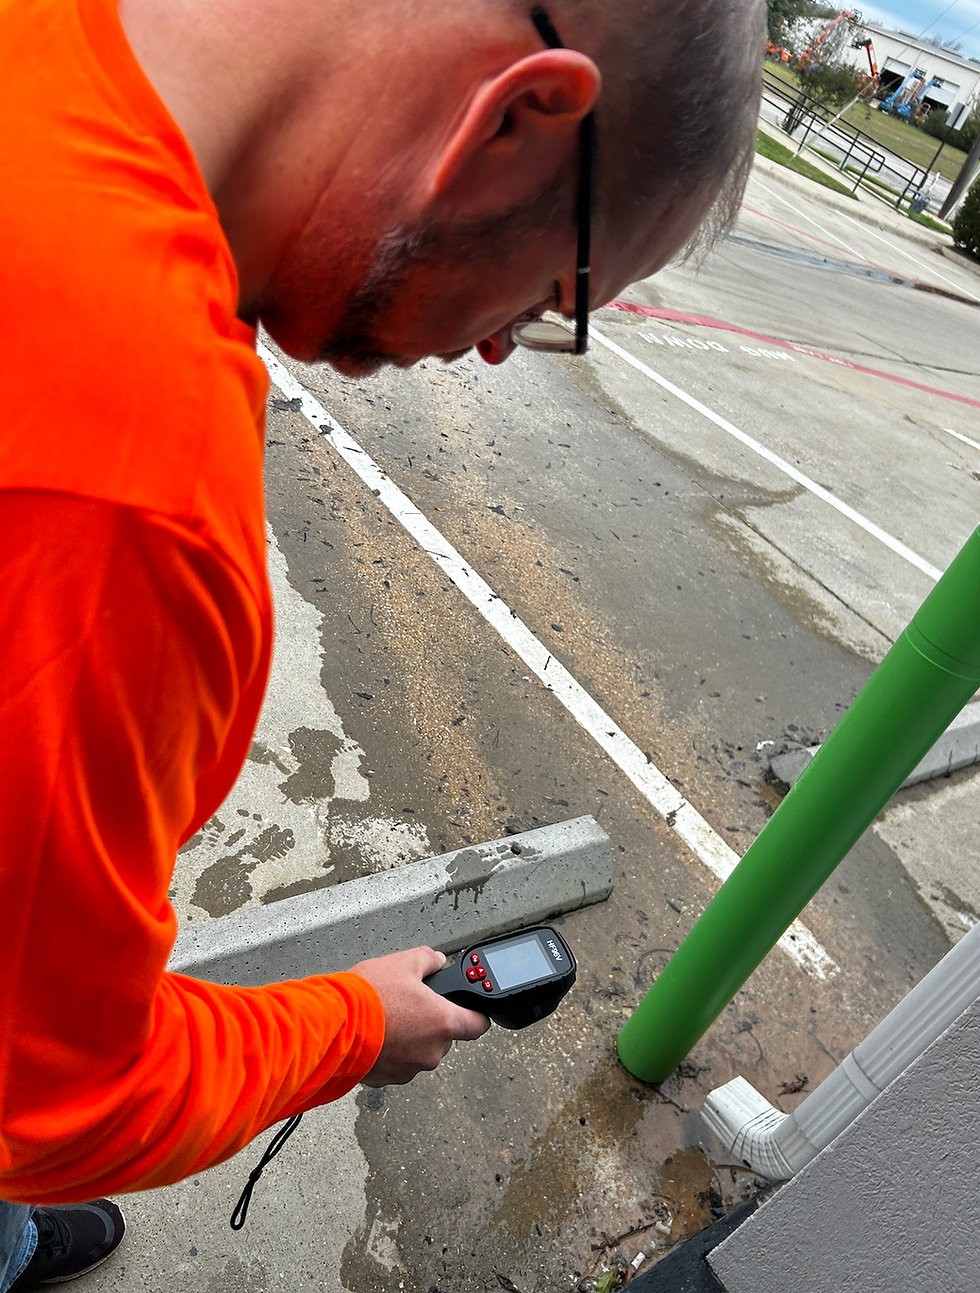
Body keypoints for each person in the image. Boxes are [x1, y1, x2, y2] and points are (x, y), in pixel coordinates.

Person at [0, 0, 764, 1286]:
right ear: (519, 116)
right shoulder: (119, 481)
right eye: (562, 291)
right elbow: (43, 1103)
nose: (494, 343)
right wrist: (352, 1022)